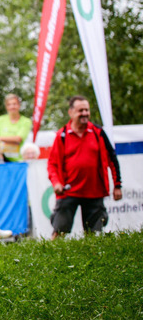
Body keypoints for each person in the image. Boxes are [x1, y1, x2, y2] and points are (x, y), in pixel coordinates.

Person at [47, 96, 123, 239]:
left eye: (87, 110)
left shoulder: (98, 133)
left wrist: (117, 185)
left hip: (95, 191)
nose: (84, 113)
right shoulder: (62, 135)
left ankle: (93, 258)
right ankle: (49, 258)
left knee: (94, 235)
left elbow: (112, 159)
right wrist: (56, 182)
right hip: (69, 191)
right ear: (71, 112)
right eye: (80, 110)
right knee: (59, 230)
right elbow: (52, 164)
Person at [0, 94, 33, 161]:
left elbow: (18, 139)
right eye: (9, 104)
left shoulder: (26, 121)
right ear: (6, 107)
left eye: (14, 104)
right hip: (1, 155)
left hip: (18, 158)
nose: (12, 107)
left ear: (19, 105)